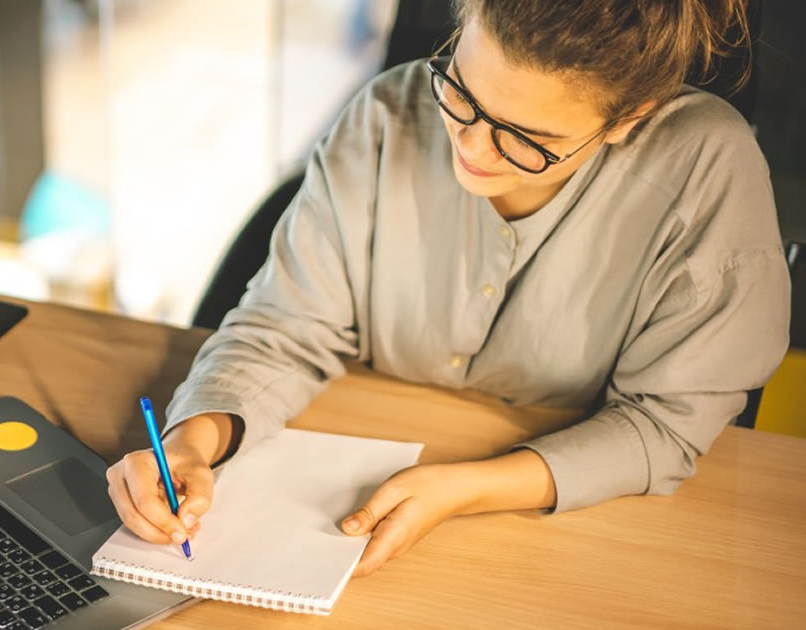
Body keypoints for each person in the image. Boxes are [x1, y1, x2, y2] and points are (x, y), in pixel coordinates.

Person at [106, 0, 790, 577]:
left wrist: (465, 488)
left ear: (627, 119)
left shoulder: (708, 171)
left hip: (580, 548)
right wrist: (195, 440)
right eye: (461, 90)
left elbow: (662, 427)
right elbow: (284, 328)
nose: (472, 146)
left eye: (527, 139)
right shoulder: (386, 115)